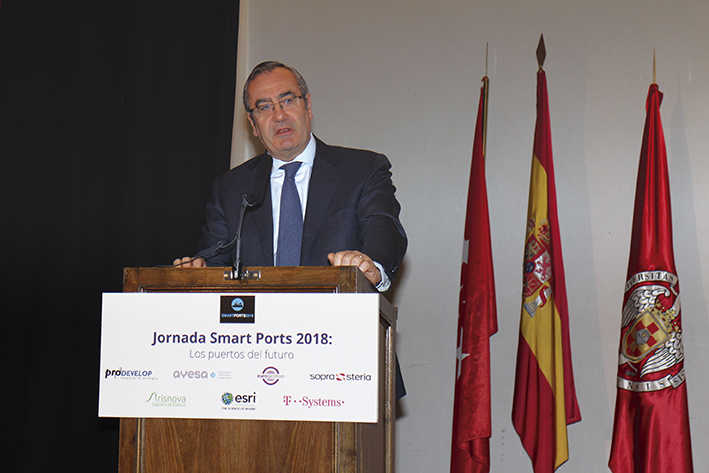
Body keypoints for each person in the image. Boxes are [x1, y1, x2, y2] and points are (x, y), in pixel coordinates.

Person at [173, 61, 407, 291]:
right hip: (255, 325)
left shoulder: (362, 170)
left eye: (287, 101)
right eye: (264, 107)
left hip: (335, 319)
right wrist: (197, 271)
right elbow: (213, 261)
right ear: (253, 124)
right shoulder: (231, 188)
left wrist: (371, 265)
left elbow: (384, 231)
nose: (279, 116)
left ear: (308, 106)